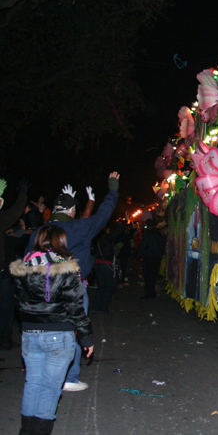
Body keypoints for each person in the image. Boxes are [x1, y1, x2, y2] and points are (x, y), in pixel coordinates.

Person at [25, 172, 119, 392]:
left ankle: (43, 374)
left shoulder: (39, 232)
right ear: (71, 212)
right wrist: (113, 190)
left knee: (44, 331)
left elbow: (27, 260)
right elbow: (103, 215)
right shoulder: (80, 228)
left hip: (39, 289)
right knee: (73, 330)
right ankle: (69, 376)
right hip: (72, 288)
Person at [11, 225, 93, 435]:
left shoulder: (24, 266)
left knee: (33, 383)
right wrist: (86, 337)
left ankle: (26, 431)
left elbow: (19, 301)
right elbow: (75, 306)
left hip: (29, 334)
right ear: (60, 242)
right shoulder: (65, 267)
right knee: (50, 387)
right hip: (58, 333)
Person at [1, 179, 31, 350]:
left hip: (5, 273)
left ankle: (5, 339)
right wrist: (22, 195)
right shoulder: (5, 234)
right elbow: (13, 213)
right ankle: (4, 340)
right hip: (3, 276)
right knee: (6, 309)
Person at [138, 218, 167, 299]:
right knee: (154, 274)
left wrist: (139, 254)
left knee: (148, 275)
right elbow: (162, 245)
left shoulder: (147, 234)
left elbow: (143, 245)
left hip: (148, 256)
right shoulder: (159, 234)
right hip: (157, 256)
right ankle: (152, 291)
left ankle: (149, 292)